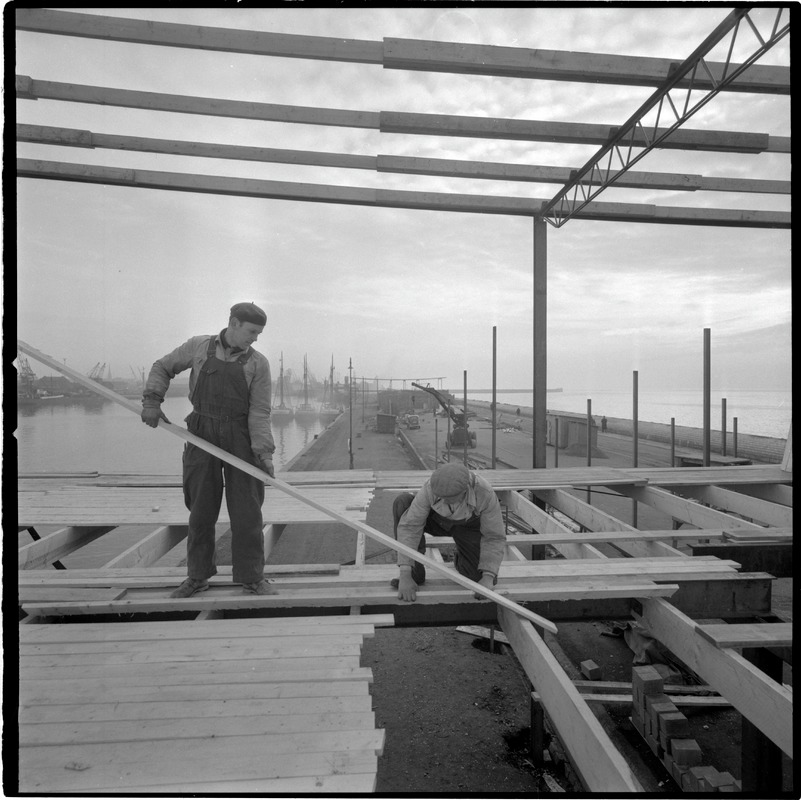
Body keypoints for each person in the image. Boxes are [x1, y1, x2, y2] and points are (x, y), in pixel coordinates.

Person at [141, 302, 277, 598]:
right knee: (200, 512)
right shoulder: (199, 347)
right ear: (234, 323)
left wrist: (264, 453)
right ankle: (197, 577)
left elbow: (260, 412)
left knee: (248, 512)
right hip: (202, 434)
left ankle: (253, 578)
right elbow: (162, 367)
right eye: (252, 331)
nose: (255, 338)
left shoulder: (258, 363)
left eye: (259, 334)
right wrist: (152, 401)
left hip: (241, 439)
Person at [392, 462, 506, 601]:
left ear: (465, 490)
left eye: (449, 498)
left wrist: (488, 576)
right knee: (402, 502)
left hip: (467, 527)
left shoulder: (484, 492)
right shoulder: (429, 488)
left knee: (477, 578)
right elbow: (411, 527)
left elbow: (493, 536)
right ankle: (414, 573)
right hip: (437, 522)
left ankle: (460, 556)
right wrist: (405, 574)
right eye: (441, 497)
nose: (444, 502)